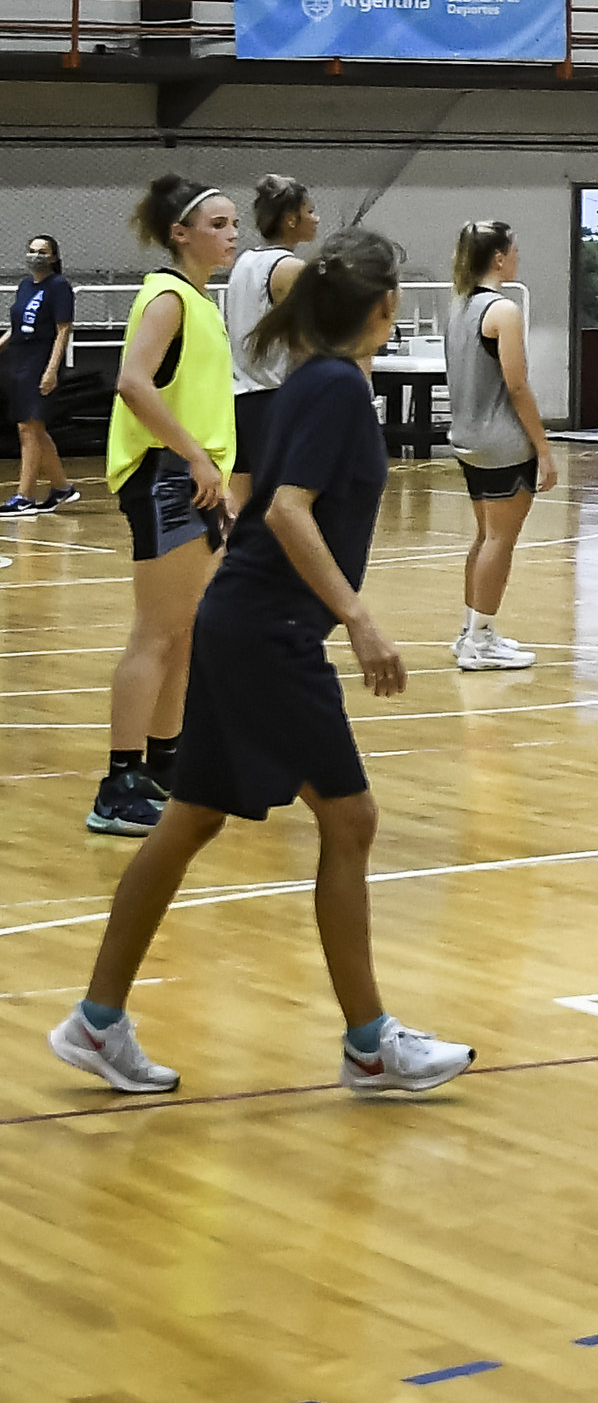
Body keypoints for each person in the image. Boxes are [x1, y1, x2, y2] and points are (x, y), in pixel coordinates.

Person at [52, 228, 471, 1099]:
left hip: (248, 626)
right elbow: (287, 511)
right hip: (270, 633)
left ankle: (96, 1023)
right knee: (350, 821)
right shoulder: (333, 389)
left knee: (190, 822)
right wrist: (358, 618)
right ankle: (367, 1045)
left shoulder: (315, 383)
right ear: (385, 309)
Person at [92, 176, 241, 836]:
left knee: (184, 631)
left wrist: (216, 478)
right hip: (164, 476)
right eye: (217, 223)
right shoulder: (168, 298)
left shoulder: (203, 301)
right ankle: (119, 784)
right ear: (180, 233)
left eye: (234, 223)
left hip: (192, 479)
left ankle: (165, 764)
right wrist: (193, 457)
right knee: (155, 631)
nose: (231, 234)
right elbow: (131, 382)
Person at [441, 223, 563, 673]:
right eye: (514, 250)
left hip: (468, 439)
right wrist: (544, 449)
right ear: (498, 258)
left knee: (484, 536)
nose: (517, 257)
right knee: (500, 540)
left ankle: (472, 630)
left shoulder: (459, 306)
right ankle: (481, 640)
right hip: (503, 442)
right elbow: (516, 384)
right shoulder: (503, 311)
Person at [221, 174, 316, 520]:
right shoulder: (291, 268)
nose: (316, 218)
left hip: (240, 395)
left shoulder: (244, 261)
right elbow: (304, 344)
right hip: (275, 397)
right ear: (291, 219)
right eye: (310, 211)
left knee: (241, 510)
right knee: (279, 510)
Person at [4, 232, 74, 515]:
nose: (36, 256)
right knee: (32, 428)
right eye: (32, 250)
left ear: (54, 257)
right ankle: (61, 488)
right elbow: (16, 328)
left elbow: (63, 329)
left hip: (40, 360)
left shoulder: (59, 287)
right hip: (19, 361)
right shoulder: (24, 286)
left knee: (29, 429)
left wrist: (51, 370)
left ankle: (25, 496)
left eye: (43, 251)